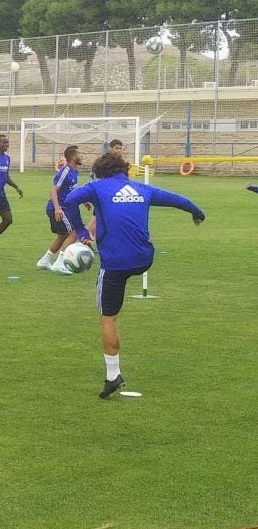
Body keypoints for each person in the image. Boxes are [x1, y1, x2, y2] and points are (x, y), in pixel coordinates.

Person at [63, 152, 204, 399]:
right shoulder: (142, 189)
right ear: (125, 170)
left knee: (108, 319)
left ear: (100, 173)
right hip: (143, 259)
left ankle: (113, 376)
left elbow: (70, 199)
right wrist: (197, 213)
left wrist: (82, 232)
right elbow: (178, 199)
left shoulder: (96, 187)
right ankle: (113, 375)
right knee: (124, 268)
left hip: (115, 263)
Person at [36, 145, 83, 275]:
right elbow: (53, 190)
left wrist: (84, 201)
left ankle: (45, 261)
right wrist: (57, 208)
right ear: (72, 157)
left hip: (64, 207)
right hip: (58, 208)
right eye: (79, 153)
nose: (81, 155)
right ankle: (60, 263)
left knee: (63, 236)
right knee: (74, 233)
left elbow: (72, 189)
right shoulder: (65, 171)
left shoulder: (75, 171)